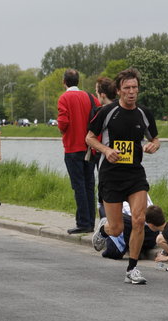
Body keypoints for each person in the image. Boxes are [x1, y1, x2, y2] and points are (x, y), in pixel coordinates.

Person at [86, 68, 160, 284]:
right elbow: (89, 138)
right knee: (117, 228)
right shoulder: (107, 112)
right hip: (111, 175)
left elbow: (155, 139)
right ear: (118, 90)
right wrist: (107, 151)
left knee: (139, 220)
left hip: (135, 174)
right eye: (127, 88)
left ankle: (132, 269)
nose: (131, 92)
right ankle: (104, 228)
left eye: (134, 88)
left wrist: (153, 146)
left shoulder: (144, 113)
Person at [57, 69, 101, 234]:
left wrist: (63, 131)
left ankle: (83, 222)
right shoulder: (91, 97)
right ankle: (90, 221)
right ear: (78, 81)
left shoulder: (64, 98)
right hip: (90, 148)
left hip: (73, 148)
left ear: (64, 82)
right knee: (90, 184)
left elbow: (63, 121)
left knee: (79, 186)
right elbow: (99, 117)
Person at [100, 195, 158, 260]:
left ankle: (105, 230)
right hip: (153, 234)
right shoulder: (141, 190)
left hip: (135, 227)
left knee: (112, 217)